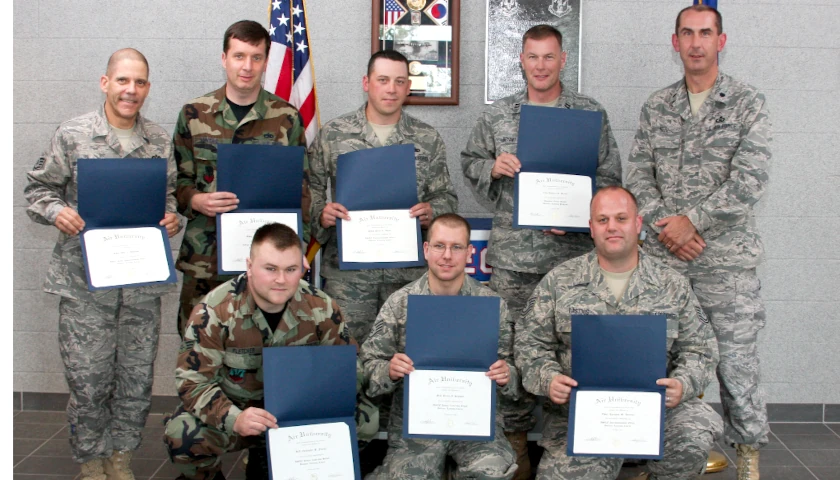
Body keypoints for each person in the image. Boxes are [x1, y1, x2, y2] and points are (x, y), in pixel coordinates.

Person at [460, 24, 622, 477]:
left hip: (571, 262)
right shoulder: (500, 115)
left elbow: (610, 177)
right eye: (533, 57)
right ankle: (515, 444)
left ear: (563, 60)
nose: (541, 65)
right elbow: (469, 160)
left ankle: (560, 444)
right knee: (509, 349)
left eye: (549, 57)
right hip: (513, 261)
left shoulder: (589, 114)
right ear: (521, 60)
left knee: (567, 351)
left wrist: (577, 214)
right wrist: (491, 167)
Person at [624, 5, 771, 478]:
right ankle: (665, 450)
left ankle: (747, 452)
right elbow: (638, 173)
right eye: (687, 33)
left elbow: (749, 181)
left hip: (724, 260)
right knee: (661, 358)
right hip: (666, 258)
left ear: (720, 41)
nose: (696, 43)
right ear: (675, 41)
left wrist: (692, 222)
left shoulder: (748, 102)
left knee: (735, 362)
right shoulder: (656, 105)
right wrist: (669, 228)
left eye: (705, 33)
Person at [24, 48, 181, 480]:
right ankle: (92, 462)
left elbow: (167, 198)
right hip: (84, 286)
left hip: (141, 286)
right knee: (89, 382)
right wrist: (58, 212)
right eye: (124, 81)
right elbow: (36, 190)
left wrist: (172, 218)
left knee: (134, 381)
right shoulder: (73, 135)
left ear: (148, 87)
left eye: (141, 82)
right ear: (105, 82)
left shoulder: (158, 140)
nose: (132, 90)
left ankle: (121, 459)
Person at [516, 186, 723, 479]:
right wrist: (548, 378)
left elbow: (700, 349)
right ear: (591, 228)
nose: (611, 226)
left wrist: (683, 383)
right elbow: (529, 345)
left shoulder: (671, 284)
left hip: (657, 408)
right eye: (602, 220)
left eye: (621, 218)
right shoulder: (559, 282)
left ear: (637, 224)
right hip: (582, 416)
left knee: (692, 437)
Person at [163, 223, 377, 480]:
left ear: (303, 268)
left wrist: (324, 407)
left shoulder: (322, 307)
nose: (281, 279)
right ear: (249, 266)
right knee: (182, 434)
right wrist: (235, 418)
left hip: (300, 411)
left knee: (366, 420)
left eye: (291, 269)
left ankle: (302, 466)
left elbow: (347, 366)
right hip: (240, 410)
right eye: (270, 268)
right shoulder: (214, 312)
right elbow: (193, 382)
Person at [309, 49, 458, 345]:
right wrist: (321, 215)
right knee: (347, 355)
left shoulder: (427, 138)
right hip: (349, 276)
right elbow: (309, 189)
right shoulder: (334, 134)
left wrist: (433, 211)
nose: (391, 88)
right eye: (383, 79)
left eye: (400, 81)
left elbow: (447, 197)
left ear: (408, 87)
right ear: (366, 83)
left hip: (406, 276)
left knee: (405, 356)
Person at [173, 19, 311, 337]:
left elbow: (300, 191)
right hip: (205, 262)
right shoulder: (194, 114)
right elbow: (178, 182)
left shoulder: (287, 118)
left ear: (266, 62)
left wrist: (296, 249)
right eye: (238, 56)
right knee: (199, 345)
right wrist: (196, 199)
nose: (247, 66)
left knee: (263, 348)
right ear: (224, 58)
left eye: (256, 57)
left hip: (269, 267)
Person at [360, 213, 518, 479]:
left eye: (457, 247)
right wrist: (389, 370)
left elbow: (517, 372)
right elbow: (366, 367)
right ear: (426, 249)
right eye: (439, 246)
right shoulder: (400, 303)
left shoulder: (492, 306)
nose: (447, 255)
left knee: (492, 471)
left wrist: (507, 375)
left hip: (474, 427)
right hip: (417, 429)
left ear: (470, 252)